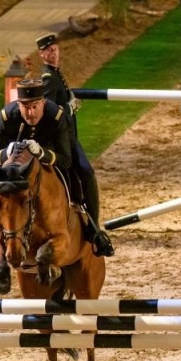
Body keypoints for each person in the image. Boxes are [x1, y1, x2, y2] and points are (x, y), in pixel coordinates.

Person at [0, 78, 73, 243]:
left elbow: (65, 160)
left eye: (35, 107)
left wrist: (41, 152)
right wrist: (7, 151)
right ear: (18, 104)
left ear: (43, 103)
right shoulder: (7, 116)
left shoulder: (56, 116)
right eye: (25, 107)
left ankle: (92, 229)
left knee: (85, 172)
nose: (30, 113)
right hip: (12, 160)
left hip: (46, 155)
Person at [35, 33, 113, 256]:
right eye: (48, 51)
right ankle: (94, 230)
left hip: (69, 136)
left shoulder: (55, 73)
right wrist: (70, 107)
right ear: (41, 54)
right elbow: (50, 111)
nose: (53, 53)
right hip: (62, 140)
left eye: (55, 49)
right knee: (87, 173)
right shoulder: (48, 78)